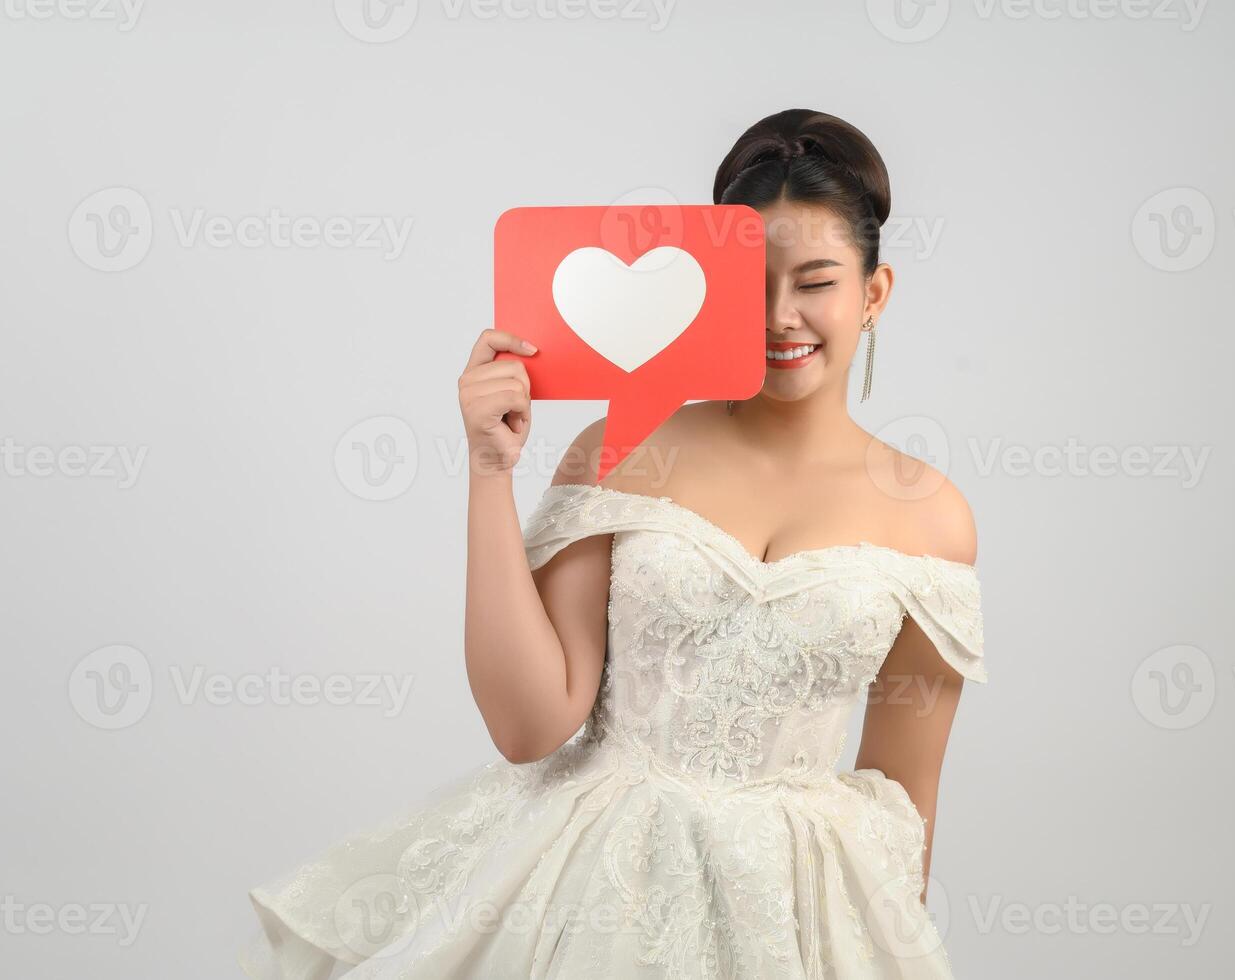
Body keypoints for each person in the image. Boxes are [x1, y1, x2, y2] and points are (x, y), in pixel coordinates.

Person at [238, 107, 987, 979]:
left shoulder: (932, 518)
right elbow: (530, 725)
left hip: (794, 921)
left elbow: (904, 800)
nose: (781, 317)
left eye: (815, 281)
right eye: (754, 283)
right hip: (597, 891)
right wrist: (489, 469)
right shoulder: (626, 448)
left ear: (873, 292)